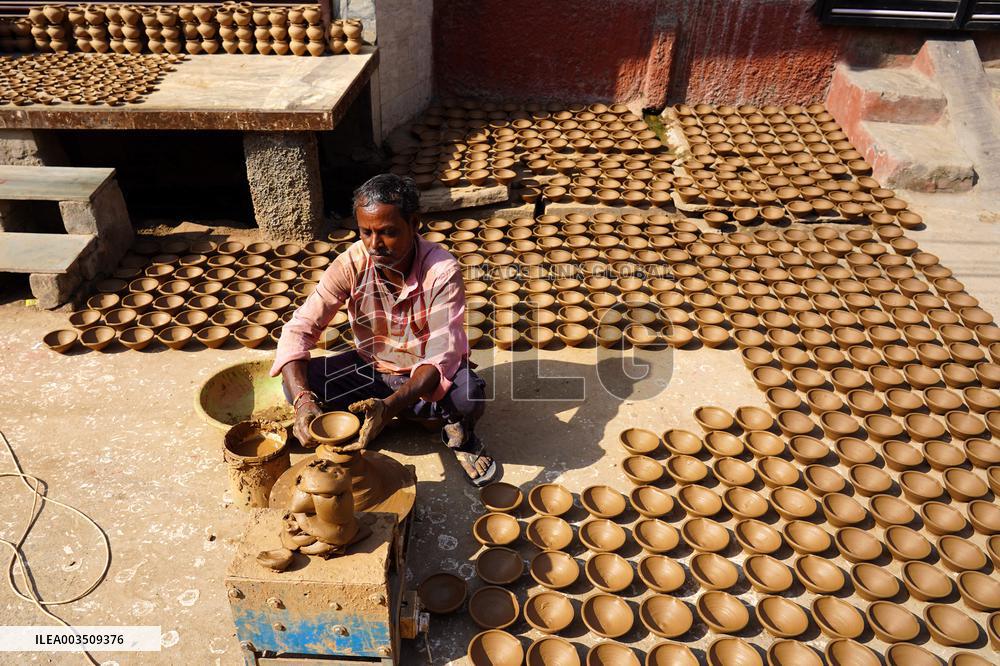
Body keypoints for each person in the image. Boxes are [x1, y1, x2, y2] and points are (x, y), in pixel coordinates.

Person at [269, 174, 497, 486]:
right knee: (296, 383)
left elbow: (440, 356)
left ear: (414, 224)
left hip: (421, 375)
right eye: (366, 232)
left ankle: (453, 434)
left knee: (467, 397)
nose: (375, 244)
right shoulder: (351, 263)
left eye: (388, 232)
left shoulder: (442, 271)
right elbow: (299, 330)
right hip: (371, 368)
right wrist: (303, 402)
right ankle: (401, 416)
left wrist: (388, 408)